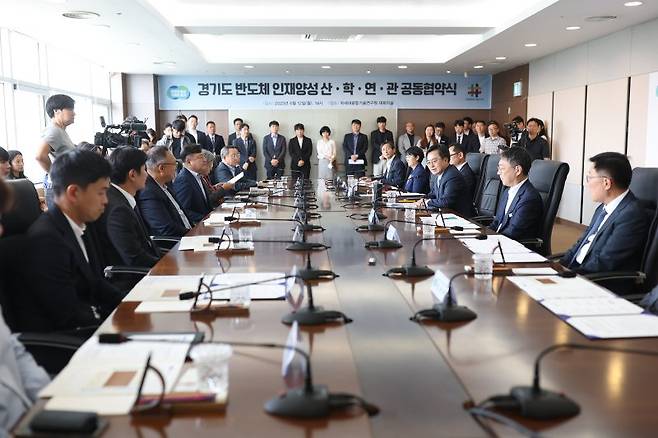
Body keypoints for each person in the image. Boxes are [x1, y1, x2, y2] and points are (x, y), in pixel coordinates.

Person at [21, 149, 124, 332]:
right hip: (72, 342)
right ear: (74, 193)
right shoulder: (47, 240)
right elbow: (67, 315)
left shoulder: (81, 224)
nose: (106, 201)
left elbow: (95, 283)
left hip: (93, 324)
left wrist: (131, 305)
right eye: (101, 192)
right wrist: (116, 326)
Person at [561, 152, 649, 276]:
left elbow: (604, 262)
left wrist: (567, 276)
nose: (588, 184)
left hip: (597, 282)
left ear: (606, 183)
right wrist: (558, 267)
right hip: (577, 272)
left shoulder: (631, 215)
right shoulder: (602, 208)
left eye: (590, 178)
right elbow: (580, 244)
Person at [95, 146, 161, 271]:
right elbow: (135, 259)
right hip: (133, 280)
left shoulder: (120, 196)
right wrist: (168, 266)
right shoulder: (118, 209)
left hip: (150, 267)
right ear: (132, 174)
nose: (147, 174)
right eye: (144, 169)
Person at [489, 147, 543, 241]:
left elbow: (513, 233)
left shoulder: (529, 199)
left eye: (502, 169)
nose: (498, 173)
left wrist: (490, 241)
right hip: (499, 241)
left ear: (517, 170)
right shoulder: (507, 191)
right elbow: (497, 222)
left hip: (514, 249)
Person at [137, 146, 192, 237]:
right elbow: (166, 228)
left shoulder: (166, 184)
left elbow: (181, 214)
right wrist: (194, 235)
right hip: (176, 244)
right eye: (175, 164)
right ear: (161, 168)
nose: (176, 168)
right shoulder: (148, 192)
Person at [36, 94, 76, 209]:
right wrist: (54, 174)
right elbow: (40, 156)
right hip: (59, 188)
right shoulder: (54, 131)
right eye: (70, 109)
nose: (74, 113)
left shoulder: (60, 131)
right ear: (57, 111)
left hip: (64, 186)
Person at [420, 145, 471, 216]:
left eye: (434, 161)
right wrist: (422, 200)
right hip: (445, 215)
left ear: (445, 160)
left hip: (459, 219)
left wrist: (427, 202)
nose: (431, 166)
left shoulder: (452, 176)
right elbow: (433, 194)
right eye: (428, 162)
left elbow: (446, 202)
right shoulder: (439, 174)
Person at [173, 144, 213, 224]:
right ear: (189, 162)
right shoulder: (183, 180)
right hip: (197, 225)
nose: (205, 160)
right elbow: (184, 210)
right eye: (200, 157)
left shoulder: (198, 175)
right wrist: (207, 218)